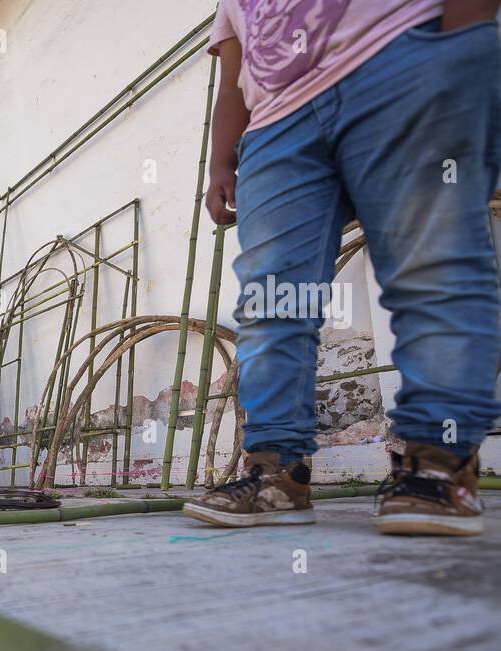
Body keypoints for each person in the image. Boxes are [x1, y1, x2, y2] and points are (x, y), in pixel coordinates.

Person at [184, 0, 501, 536]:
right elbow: (233, 74)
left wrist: (462, 40)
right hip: (274, 125)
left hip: (400, 58)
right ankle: (275, 472)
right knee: (272, 302)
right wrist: (221, 159)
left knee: (431, 267)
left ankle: (439, 463)